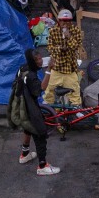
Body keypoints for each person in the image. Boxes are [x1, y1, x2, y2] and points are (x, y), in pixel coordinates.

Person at [16, 48, 60, 176]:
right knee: (40, 133)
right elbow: (41, 88)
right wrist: (49, 70)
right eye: (37, 60)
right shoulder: (31, 76)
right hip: (29, 107)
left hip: (21, 103)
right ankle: (42, 165)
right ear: (32, 61)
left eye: (41, 58)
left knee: (28, 128)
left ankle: (24, 154)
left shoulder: (23, 68)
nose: (40, 61)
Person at [44, 9, 84, 106]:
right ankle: (47, 109)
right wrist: (60, 48)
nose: (65, 23)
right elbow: (50, 48)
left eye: (67, 21)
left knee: (75, 92)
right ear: (59, 21)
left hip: (70, 68)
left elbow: (76, 46)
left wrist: (69, 36)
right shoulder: (53, 31)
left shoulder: (75, 31)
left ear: (71, 21)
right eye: (62, 21)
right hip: (56, 67)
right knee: (49, 91)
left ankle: (75, 111)